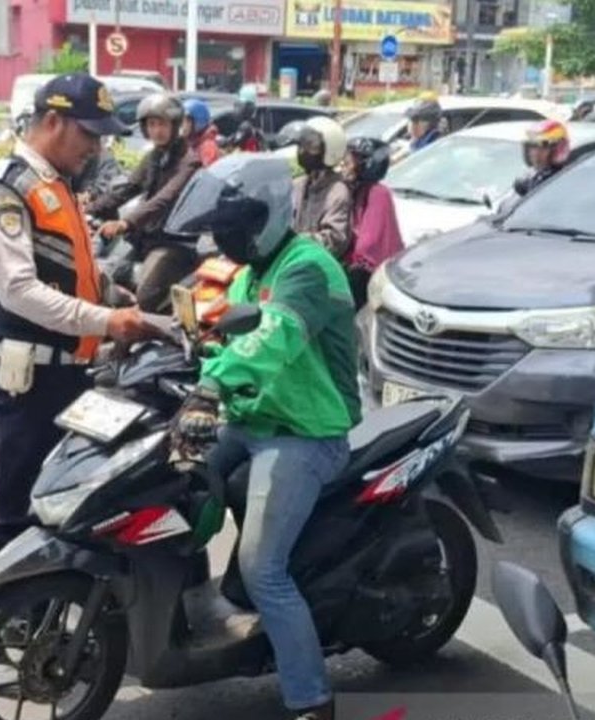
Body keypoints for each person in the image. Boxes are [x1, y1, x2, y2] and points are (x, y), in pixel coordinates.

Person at [167, 153, 362, 720]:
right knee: (173, 492)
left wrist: (211, 387)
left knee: (264, 568)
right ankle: (193, 610)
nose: (226, 240)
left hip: (307, 432)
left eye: (233, 229)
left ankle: (311, 699)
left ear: (268, 217)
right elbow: (232, 338)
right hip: (254, 419)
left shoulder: (307, 269)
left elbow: (273, 338)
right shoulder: (254, 271)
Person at [0, 73, 162, 617]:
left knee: (57, 501)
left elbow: (73, 267)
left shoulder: (58, 183)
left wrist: (118, 297)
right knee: (11, 504)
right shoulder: (6, 187)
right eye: (88, 134)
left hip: (66, 372)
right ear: (52, 121)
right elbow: (19, 290)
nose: (95, 147)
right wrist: (107, 321)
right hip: (23, 378)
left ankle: (37, 624)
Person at [88, 93, 203, 312]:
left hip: (172, 244)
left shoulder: (189, 162)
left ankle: (156, 328)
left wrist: (125, 223)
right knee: (105, 280)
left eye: (162, 124)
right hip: (145, 239)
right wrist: (85, 209)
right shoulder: (154, 156)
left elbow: (164, 199)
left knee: (145, 296)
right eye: (151, 124)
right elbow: (127, 189)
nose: (156, 130)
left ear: (175, 125)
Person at [341, 137, 403, 307]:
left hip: (368, 274)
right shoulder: (355, 189)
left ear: (367, 164)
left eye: (350, 161)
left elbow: (368, 243)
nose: (345, 165)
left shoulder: (378, 193)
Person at [284, 116, 352, 260]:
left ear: (329, 149)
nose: (303, 151)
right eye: (302, 145)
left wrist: (297, 242)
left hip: (317, 264)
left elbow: (334, 239)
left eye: (311, 147)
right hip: (293, 258)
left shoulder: (337, 191)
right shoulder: (299, 184)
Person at [512, 119, 571, 198]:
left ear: (559, 148)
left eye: (542, 146)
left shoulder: (560, 181)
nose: (534, 153)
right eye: (530, 146)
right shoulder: (532, 177)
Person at [182, 97, 221, 167]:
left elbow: (209, 171)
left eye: (188, 121)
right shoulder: (189, 142)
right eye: (181, 120)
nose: (183, 125)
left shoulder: (208, 147)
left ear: (199, 122)